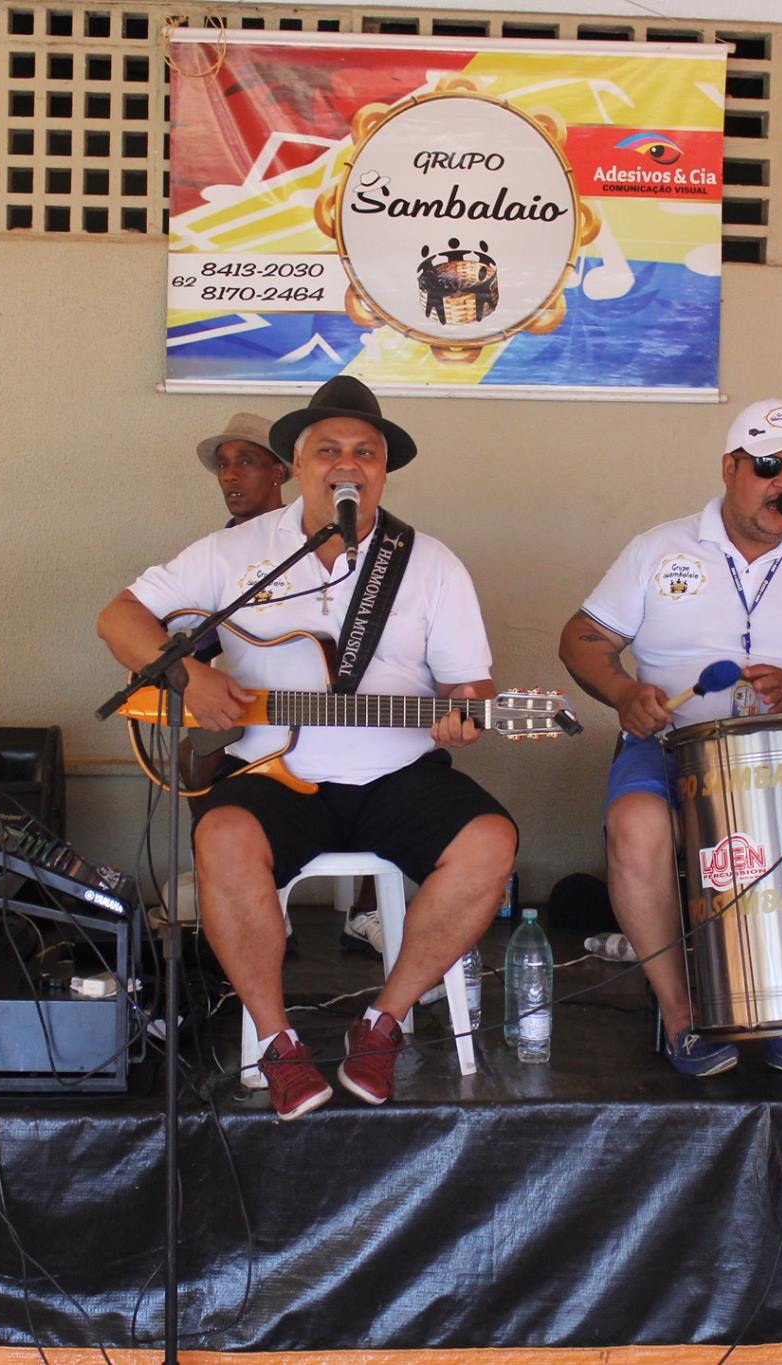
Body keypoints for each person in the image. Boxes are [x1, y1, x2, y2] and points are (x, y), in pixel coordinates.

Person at [97, 376, 515, 1119]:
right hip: (268, 770)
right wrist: (190, 672)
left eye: (366, 451)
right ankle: (277, 1038)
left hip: (397, 771)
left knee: (490, 840)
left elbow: (470, 689)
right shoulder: (237, 551)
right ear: (298, 461)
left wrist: (464, 716)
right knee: (222, 836)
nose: (347, 463)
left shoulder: (431, 563)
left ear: (384, 470)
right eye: (329, 449)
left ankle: (382, 1020)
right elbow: (119, 617)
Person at [558, 398, 782, 1078]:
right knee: (636, 824)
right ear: (730, 467)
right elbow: (581, 638)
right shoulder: (659, 547)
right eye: (768, 466)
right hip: (678, 742)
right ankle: (681, 1011)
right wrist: (624, 694)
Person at [197, 411, 286, 525]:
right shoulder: (217, 542)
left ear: (278, 474)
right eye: (222, 465)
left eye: (245, 462)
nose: (229, 476)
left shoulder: (305, 538)